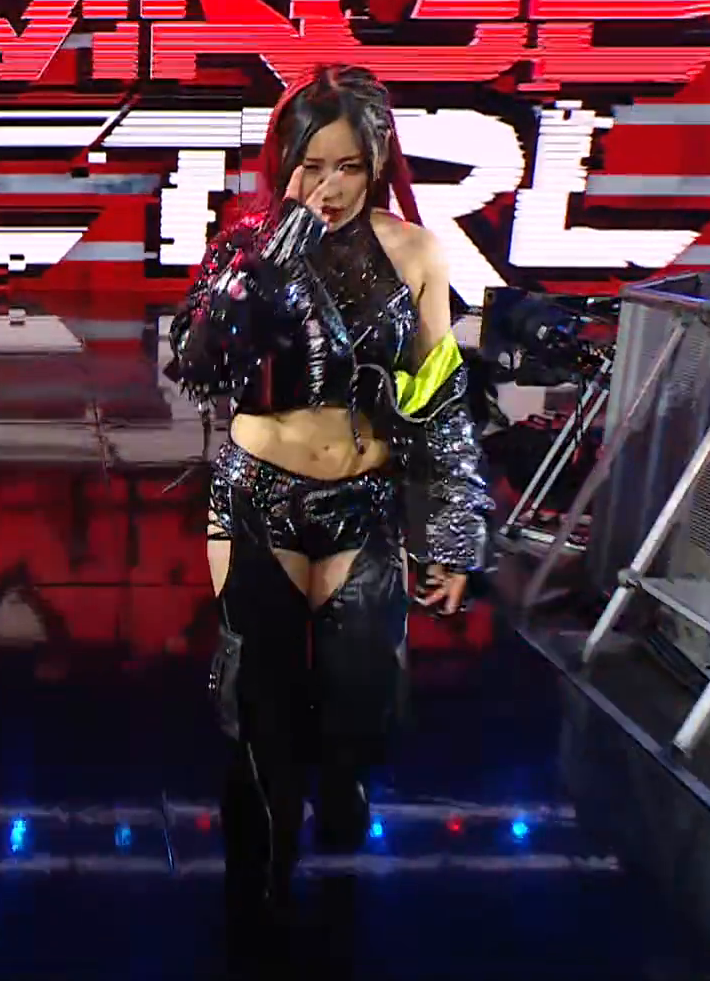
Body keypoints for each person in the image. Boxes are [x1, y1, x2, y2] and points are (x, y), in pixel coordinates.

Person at [166, 65, 491, 968]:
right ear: (285, 164)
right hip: (257, 495)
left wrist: (450, 536)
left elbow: (438, 402)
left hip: (364, 500)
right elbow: (194, 360)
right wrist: (263, 270)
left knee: (357, 703)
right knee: (260, 702)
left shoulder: (417, 254)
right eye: (312, 166)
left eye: (349, 166)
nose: (330, 187)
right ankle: (265, 879)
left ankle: (341, 794)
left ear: (378, 163)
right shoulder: (244, 247)